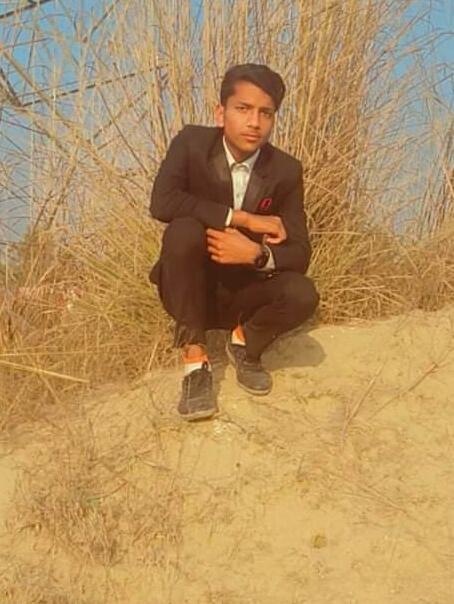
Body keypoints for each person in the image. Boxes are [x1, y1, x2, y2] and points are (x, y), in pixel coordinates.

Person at [149, 63, 319, 421]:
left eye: (265, 113)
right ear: (220, 112)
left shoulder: (286, 170)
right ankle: (195, 361)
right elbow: (162, 203)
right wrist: (242, 219)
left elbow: (300, 253)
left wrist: (257, 254)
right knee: (183, 230)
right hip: (190, 289)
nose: (254, 122)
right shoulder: (192, 144)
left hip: (245, 295)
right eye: (243, 109)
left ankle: (244, 343)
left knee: (303, 293)